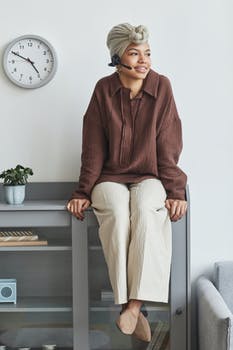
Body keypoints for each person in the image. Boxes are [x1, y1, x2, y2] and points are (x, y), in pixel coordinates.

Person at [66, 23, 188, 342]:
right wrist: (83, 191)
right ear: (117, 57)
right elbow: (93, 148)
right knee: (118, 216)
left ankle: (132, 306)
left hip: (151, 175)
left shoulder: (162, 87)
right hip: (109, 177)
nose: (144, 61)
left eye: (147, 53)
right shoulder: (103, 91)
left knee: (147, 209)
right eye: (135, 54)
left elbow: (168, 145)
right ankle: (130, 307)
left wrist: (175, 191)